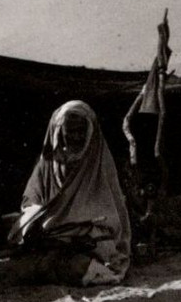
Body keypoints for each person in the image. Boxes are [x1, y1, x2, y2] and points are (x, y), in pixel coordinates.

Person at [8, 100, 131, 286]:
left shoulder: (98, 161)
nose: (76, 136)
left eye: (81, 131)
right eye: (70, 131)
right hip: (52, 232)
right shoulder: (48, 162)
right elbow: (32, 196)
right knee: (22, 268)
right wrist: (34, 214)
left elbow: (110, 212)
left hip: (87, 233)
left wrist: (76, 222)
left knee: (77, 262)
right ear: (59, 131)